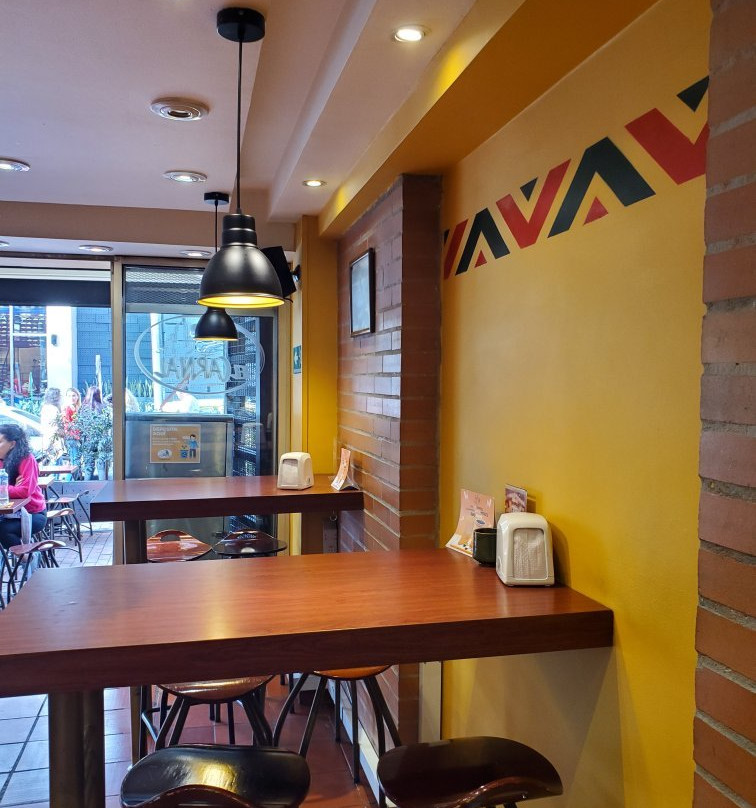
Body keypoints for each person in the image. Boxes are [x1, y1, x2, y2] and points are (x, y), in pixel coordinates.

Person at [0, 424, 47, 549]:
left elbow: (24, 491)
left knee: (3, 530)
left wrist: (5, 488)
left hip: (32, 513)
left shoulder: (26, 459)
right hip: (5, 513)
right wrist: (12, 487)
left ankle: (28, 557)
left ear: (12, 444)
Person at [39, 387, 62, 461]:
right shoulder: (53, 409)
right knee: (55, 460)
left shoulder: (45, 407)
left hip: (48, 436)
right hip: (53, 438)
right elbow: (55, 425)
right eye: (59, 395)